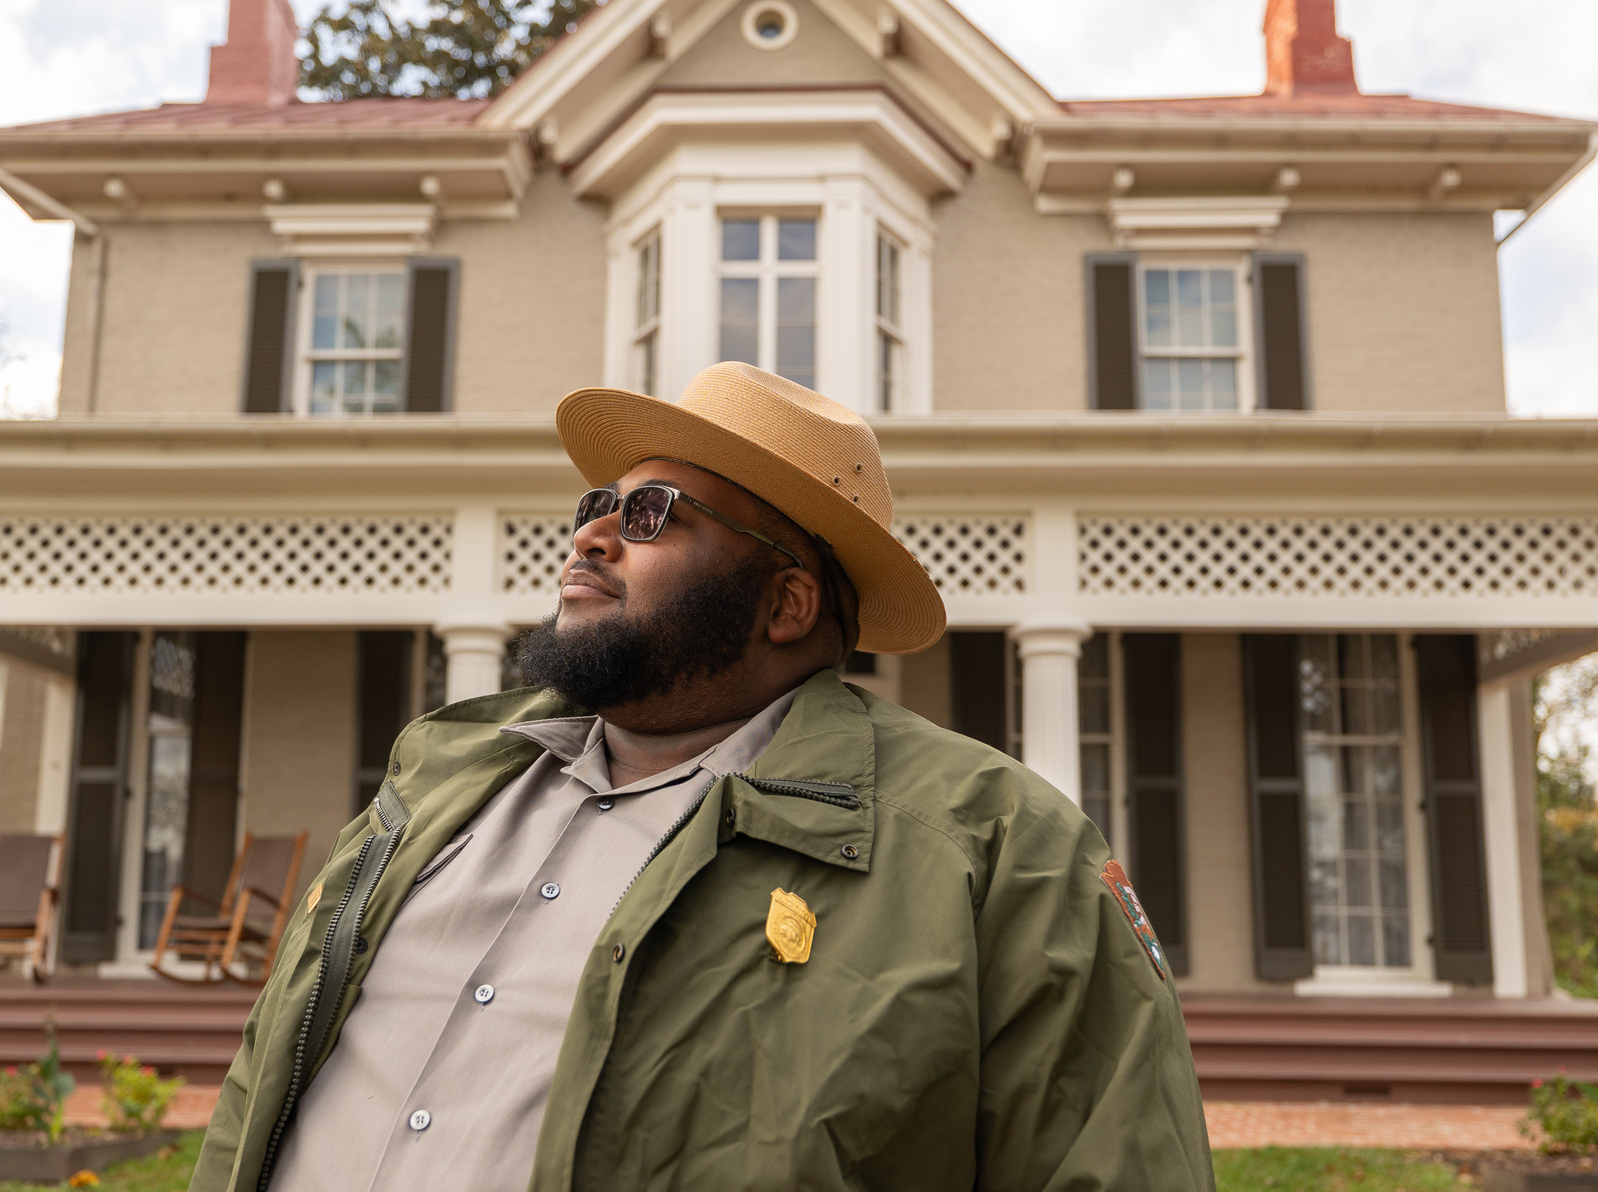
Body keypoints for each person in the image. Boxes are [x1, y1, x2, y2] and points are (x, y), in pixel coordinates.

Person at [190, 362, 1215, 1192]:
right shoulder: (438, 774)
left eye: (651, 515)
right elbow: (262, 1081)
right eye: (599, 505)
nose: (589, 533)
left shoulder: (997, 850)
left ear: (785, 602)